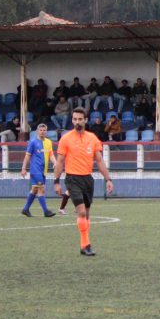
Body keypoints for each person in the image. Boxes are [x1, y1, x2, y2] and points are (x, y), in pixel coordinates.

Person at [52, 108, 114, 256]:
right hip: (72, 178)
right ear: (72, 120)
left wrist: (108, 179)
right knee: (80, 212)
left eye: (80, 119)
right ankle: (87, 244)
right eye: (74, 119)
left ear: (85, 120)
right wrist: (56, 181)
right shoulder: (65, 139)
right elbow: (60, 162)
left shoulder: (92, 138)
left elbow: (99, 160)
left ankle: (83, 245)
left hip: (87, 179)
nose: (77, 122)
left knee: (86, 214)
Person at [20, 123, 57, 217]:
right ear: (37, 131)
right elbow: (27, 156)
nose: (42, 132)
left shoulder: (49, 142)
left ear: (46, 131)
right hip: (35, 170)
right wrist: (23, 168)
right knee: (41, 189)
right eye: (41, 130)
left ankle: (25, 209)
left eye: (44, 130)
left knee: (34, 190)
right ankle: (46, 211)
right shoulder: (33, 142)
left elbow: (51, 155)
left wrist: (55, 163)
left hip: (43, 170)